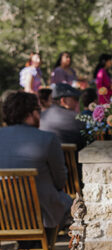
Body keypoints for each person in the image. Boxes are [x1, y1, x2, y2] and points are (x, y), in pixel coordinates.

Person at [0, 91, 72, 230]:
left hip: (4, 215)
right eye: (38, 112)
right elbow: (60, 181)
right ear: (31, 114)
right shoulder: (48, 139)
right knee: (69, 201)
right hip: (40, 216)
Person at [40, 83, 87, 150]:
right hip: (74, 159)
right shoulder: (76, 119)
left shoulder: (41, 116)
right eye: (75, 99)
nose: (77, 102)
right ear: (63, 101)